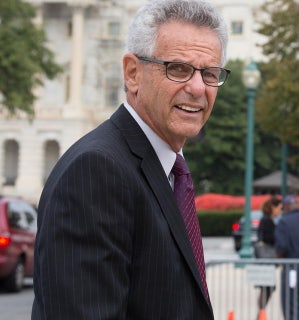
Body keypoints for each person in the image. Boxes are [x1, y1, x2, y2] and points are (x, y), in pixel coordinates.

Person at [32, 0, 229, 318]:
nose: (197, 88)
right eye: (178, 68)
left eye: (210, 73)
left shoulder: (165, 168)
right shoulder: (96, 172)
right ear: (133, 73)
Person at [255, 196, 283, 311]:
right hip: (266, 258)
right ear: (272, 207)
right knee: (268, 286)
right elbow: (268, 238)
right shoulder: (267, 220)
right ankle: (261, 314)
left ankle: (261, 313)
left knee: (267, 287)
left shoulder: (266, 219)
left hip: (265, 258)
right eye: (279, 208)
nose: (280, 211)